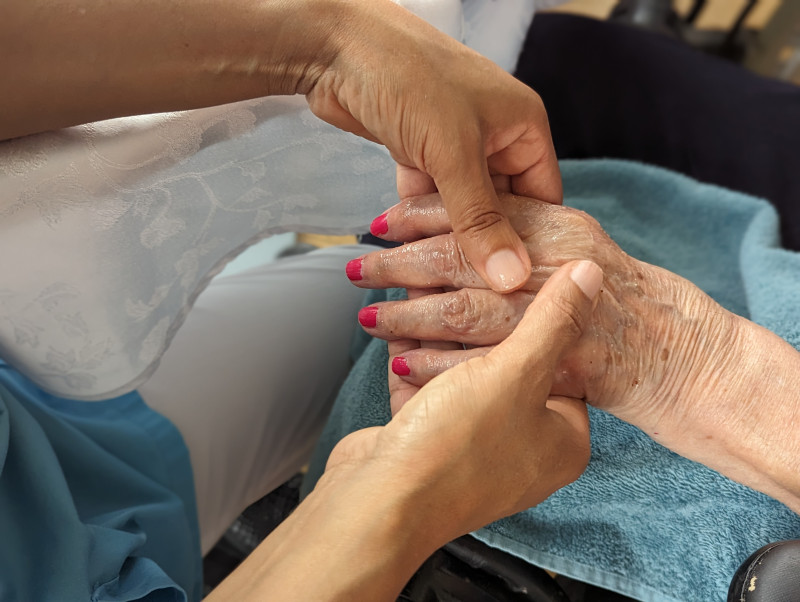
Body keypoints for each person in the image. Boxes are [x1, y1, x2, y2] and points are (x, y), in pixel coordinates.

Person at [0, 0, 586, 599]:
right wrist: (410, 489)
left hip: (36, 421)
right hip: (93, 554)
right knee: (377, 326)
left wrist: (328, 42)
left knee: (366, 306)